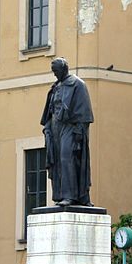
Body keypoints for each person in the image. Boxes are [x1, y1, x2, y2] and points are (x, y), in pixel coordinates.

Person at [40, 57, 94, 206]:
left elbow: (85, 112)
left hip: (71, 127)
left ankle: (70, 196)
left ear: (64, 69)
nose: (55, 74)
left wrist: (79, 132)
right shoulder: (55, 86)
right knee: (56, 161)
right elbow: (50, 111)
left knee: (66, 158)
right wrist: (47, 127)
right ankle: (59, 195)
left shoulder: (78, 84)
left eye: (56, 71)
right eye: (53, 72)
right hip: (55, 127)